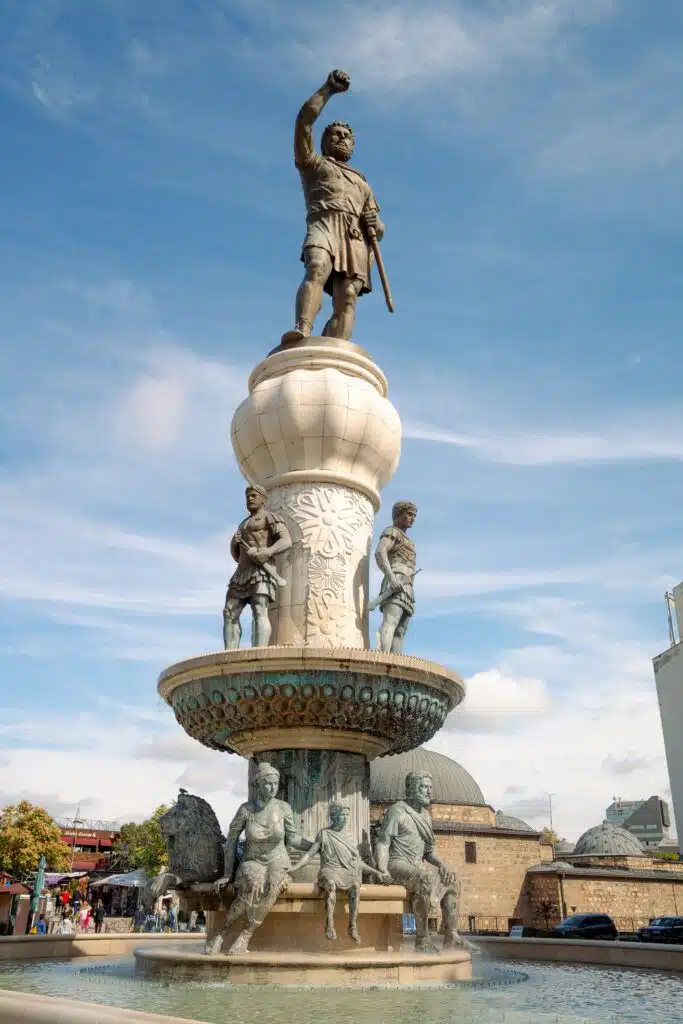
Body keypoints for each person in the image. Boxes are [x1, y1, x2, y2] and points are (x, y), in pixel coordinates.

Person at [284, 69, 386, 344]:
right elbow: (303, 122)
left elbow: (378, 226)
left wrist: (376, 225)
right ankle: (303, 328)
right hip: (324, 223)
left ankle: (335, 347)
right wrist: (327, 89)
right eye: (334, 134)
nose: (341, 138)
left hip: (354, 237)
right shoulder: (313, 164)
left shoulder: (362, 182)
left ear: (352, 145)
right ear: (324, 142)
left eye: (346, 136)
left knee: (348, 297)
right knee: (317, 266)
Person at [207, 761, 311, 955]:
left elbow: (294, 838)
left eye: (275, 783)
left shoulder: (283, 808)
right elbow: (231, 841)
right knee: (253, 884)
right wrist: (227, 874)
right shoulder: (246, 810)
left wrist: (315, 846)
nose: (272, 788)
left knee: (273, 885)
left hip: (278, 859)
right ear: (258, 784)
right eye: (267, 784)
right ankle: (222, 931)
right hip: (253, 860)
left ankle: (246, 934)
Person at [375, 770, 461, 954]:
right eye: (424, 786)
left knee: (452, 879)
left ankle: (451, 935)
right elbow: (383, 843)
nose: (429, 791)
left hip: (417, 865)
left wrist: (443, 865)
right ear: (413, 788)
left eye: (430, 787)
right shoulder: (397, 811)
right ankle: (422, 939)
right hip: (398, 864)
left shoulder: (426, 816)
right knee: (425, 878)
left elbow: (429, 852)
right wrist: (382, 869)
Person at [290, 802, 390, 943]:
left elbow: (358, 863)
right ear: (334, 816)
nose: (346, 817)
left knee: (355, 885)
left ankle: (352, 926)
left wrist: (377, 872)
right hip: (329, 869)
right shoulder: (324, 834)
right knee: (330, 884)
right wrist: (295, 867)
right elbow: (309, 855)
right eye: (343, 814)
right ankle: (329, 924)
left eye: (347, 814)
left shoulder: (349, 837)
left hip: (345, 871)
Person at [223, 485, 292, 649]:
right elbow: (236, 555)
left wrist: (267, 552)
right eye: (248, 496)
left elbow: (286, 541)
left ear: (263, 499)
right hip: (241, 573)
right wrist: (234, 542)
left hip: (261, 572)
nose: (250, 499)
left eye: (254, 496)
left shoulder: (271, 518)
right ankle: (230, 653)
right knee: (229, 612)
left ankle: (259, 652)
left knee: (259, 610)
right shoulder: (243, 524)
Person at [374, 501, 418, 654]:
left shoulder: (409, 542)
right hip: (396, 579)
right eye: (409, 514)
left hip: (408, 586)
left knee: (400, 630)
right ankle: (383, 659)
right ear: (398, 515)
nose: (412, 518)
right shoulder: (392, 531)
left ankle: (397, 666)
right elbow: (380, 552)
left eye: (414, 515)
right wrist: (391, 577)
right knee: (390, 621)